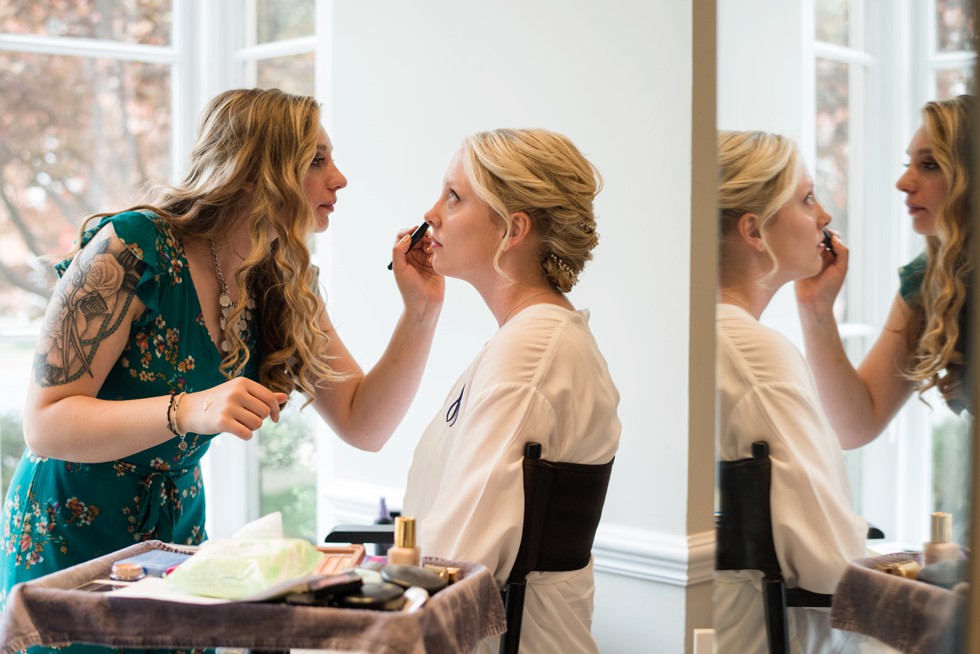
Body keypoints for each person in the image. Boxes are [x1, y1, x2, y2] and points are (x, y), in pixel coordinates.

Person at [0, 88, 444, 623]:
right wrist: (190, 408)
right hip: (70, 534)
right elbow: (45, 423)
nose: (339, 179)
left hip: (175, 539)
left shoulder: (282, 275)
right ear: (256, 173)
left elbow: (363, 423)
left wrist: (420, 312)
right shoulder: (133, 245)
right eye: (317, 160)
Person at [401, 128, 620, 654]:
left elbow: (456, 561)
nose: (431, 212)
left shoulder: (532, 352)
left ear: (513, 229)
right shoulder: (528, 341)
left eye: (454, 196)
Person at [714, 130, 886, 653]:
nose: (825, 218)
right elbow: (828, 559)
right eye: (808, 198)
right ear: (755, 231)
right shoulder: (756, 353)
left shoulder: (705, 335)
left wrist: (815, 308)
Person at [796, 95, 974, 449]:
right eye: (909, 163)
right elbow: (855, 426)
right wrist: (815, 308)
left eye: (930, 164)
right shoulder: (929, 280)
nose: (903, 182)